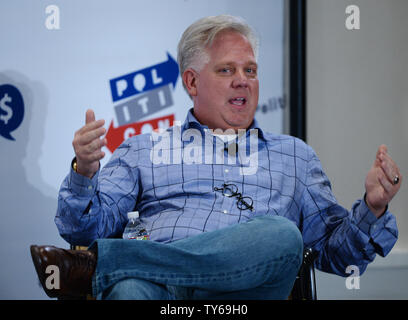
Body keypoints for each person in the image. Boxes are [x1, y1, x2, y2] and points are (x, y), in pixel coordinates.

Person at [30, 15, 401, 300]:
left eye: (250, 71)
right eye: (227, 70)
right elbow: (82, 229)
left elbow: (340, 258)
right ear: (192, 82)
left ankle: (102, 266)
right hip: (160, 294)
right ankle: (124, 268)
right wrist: (85, 172)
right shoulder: (144, 149)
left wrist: (373, 207)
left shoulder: (295, 156)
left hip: (244, 296)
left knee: (282, 236)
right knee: (128, 292)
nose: (244, 81)